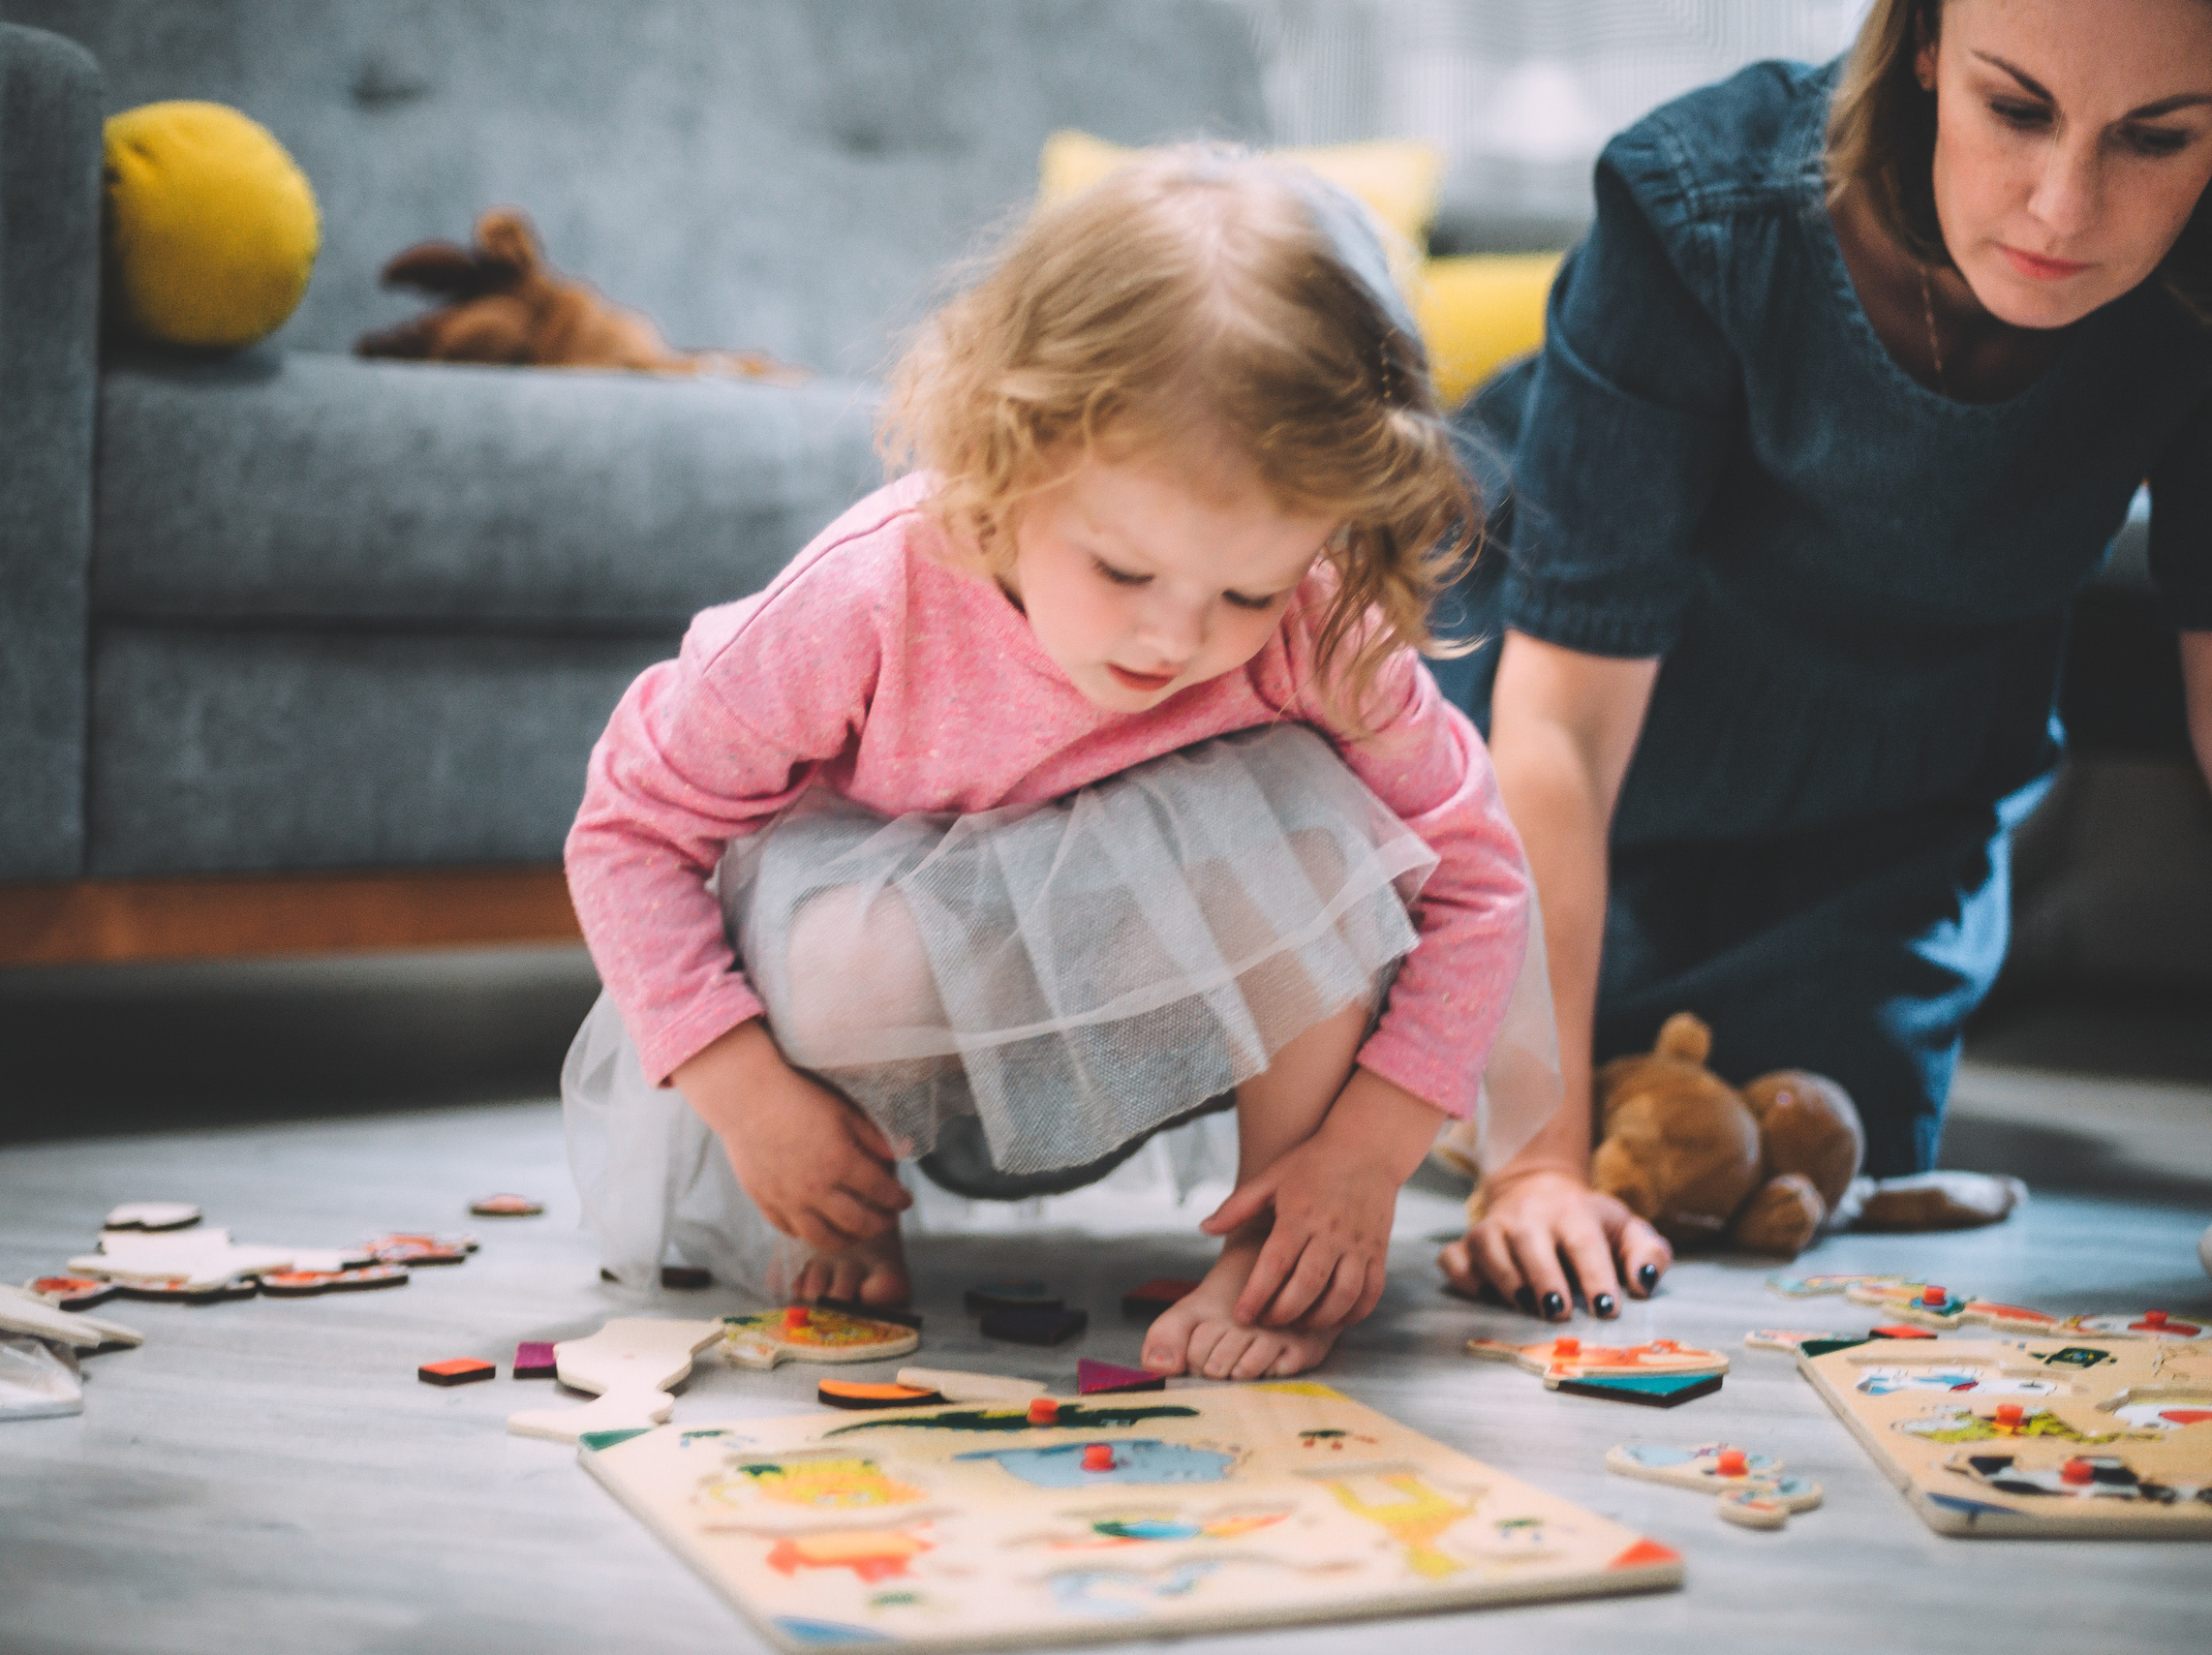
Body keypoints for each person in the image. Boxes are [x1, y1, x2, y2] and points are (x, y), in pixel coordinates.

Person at [1434, 0, 2212, 1314]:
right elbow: (1560, 727)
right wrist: (1539, 1165)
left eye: (2155, 139)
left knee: (1830, 1136)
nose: (2063, 208)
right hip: (1557, 736)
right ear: (1921, 47)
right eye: (2015, 108)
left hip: (1897, 792)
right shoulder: (1698, 204)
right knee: (1503, 1097)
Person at [559, 147, 1561, 1381]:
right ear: (1006, 456)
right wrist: (745, 1091)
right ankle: (848, 1199)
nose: (1175, 635)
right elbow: (629, 827)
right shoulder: (869, 594)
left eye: (1244, 588)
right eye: (1124, 571)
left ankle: (1270, 1235)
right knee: (835, 952)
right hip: (909, 982)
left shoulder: (1320, 621)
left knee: (1312, 838)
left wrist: (1368, 1145)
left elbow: (1477, 879)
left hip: (1165, 999)